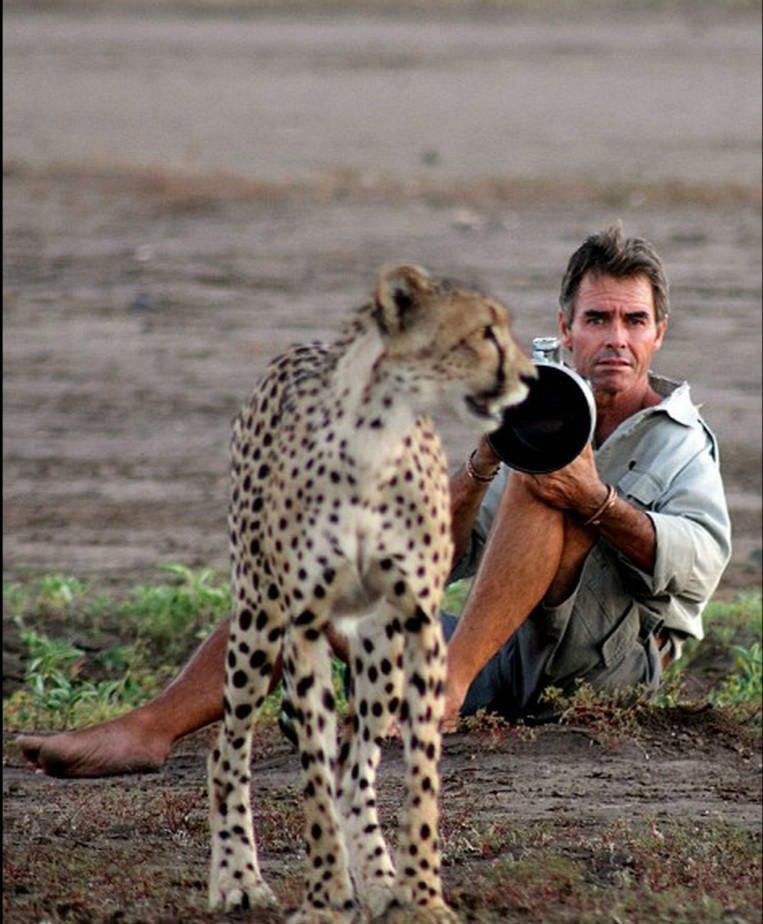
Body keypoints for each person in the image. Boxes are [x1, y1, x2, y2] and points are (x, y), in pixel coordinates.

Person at [16, 222, 731, 778]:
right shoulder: (533, 401)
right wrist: (482, 462)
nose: (616, 339)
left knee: (551, 490)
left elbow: (700, 568)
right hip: (503, 652)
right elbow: (440, 563)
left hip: (603, 665)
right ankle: (148, 729)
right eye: (598, 319)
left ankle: (439, 690)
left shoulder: (679, 438)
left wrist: (596, 501)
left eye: (634, 322)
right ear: (565, 326)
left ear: (658, 332)